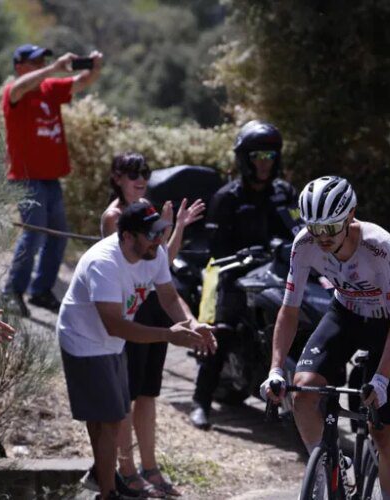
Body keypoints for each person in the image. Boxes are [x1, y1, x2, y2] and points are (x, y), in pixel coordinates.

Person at [261, 176, 390, 499]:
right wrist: (275, 369)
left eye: (330, 228)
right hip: (345, 313)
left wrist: (382, 379)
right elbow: (288, 311)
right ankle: (331, 467)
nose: (321, 238)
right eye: (315, 229)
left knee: (383, 434)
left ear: (351, 215)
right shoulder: (304, 244)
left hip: (386, 324)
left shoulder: (380, 246)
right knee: (302, 393)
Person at [57, 201, 215, 500]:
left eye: (160, 233)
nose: (158, 240)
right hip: (84, 339)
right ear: (128, 236)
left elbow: (169, 298)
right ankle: (108, 492)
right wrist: (169, 335)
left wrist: (192, 324)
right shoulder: (104, 263)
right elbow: (115, 325)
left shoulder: (152, 253)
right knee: (111, 417)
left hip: (111, 341)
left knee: (106, 416)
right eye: (151, 234)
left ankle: (101, 479)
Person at [101, 153, 205, 496]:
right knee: (127, 398)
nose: (140, 178)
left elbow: (162, 262)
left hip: (154, 309)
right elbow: (128, 269)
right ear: (117, 177)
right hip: (131, 313)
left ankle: (150, 467)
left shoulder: (147, 207)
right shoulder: (114, 217)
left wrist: (178, 227)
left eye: (145, 172)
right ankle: (127, 470)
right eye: (132, 173)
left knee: (148, 395)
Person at [189, 120, 299, 429]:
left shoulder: (285, 193)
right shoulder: (228, 198)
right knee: (222, 331)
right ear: (245, 159)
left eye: (270, 156)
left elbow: (300, 229)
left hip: (279, 274)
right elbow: (216, 249)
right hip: (237, 274)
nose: (264, 164)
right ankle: (201, 402)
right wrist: (243, 253)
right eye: (257, 157)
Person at [1, 44, 103, 317]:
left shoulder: (49, 89)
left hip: (50, 178)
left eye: (43, 60)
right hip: (26, 178)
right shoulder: (15, 93)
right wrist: (54, 68)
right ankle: (11, 292)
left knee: (58, 237)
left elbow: (83, 82)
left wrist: (94, 66)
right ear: (19, 66)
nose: (41, 65)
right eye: (35, 62)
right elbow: (20, 87)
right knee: (34, 233)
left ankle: (41, 291)